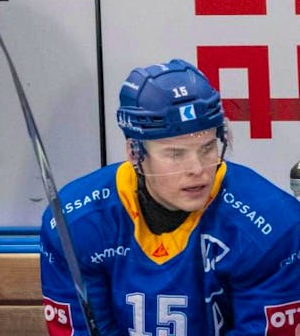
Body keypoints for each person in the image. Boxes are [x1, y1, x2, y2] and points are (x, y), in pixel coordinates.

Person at [40, 59, 300, 335]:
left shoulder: (271, 226)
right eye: (176, 153)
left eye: (207, 148)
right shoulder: (76, 222)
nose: (197, 169)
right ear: (134, 153)